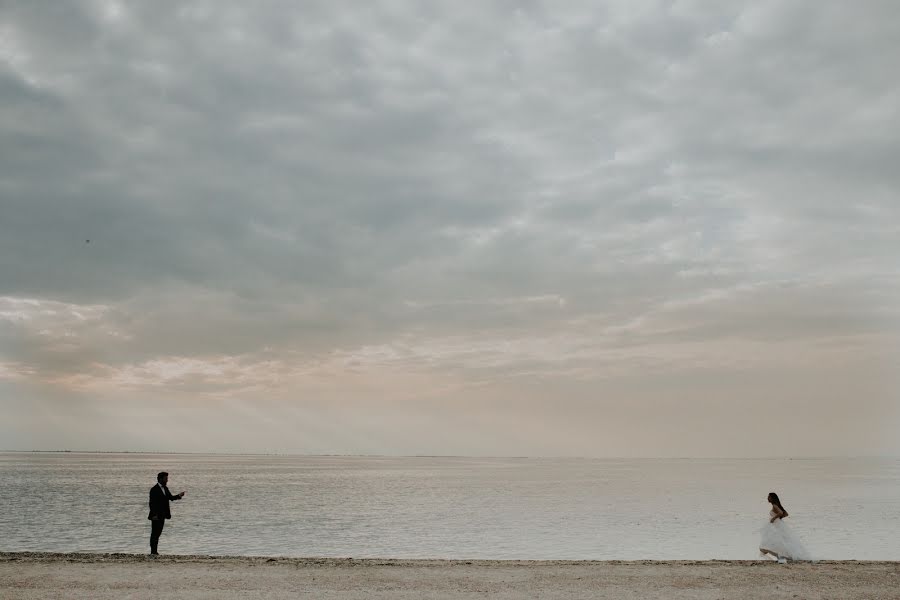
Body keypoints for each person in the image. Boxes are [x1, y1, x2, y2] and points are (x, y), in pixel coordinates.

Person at [759, 492, 811, 562]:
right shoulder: (776, 505)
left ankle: (780, 556)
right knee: (781, 541)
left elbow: (781, 513)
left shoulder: (775, 505)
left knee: (775, 541)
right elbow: (785, 514)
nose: (767, 498)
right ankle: (781, 557)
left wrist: (774, 518)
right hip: (779, 524)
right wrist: (779, 518)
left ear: (772, 498)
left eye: (769, 497)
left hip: (776, 525)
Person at [148, 471, 185, 555]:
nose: (167, 480)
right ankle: (153, 551)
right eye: (166, 478)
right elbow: (151, 503)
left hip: (163, 515)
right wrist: (154, 515)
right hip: (156, 516)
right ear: (161, 479)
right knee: (154, 534)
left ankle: (155, 551)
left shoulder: (165, 488)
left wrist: (179, 496)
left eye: (167, 478)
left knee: (158, 533)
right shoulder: (154, 489)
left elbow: (170, 498)